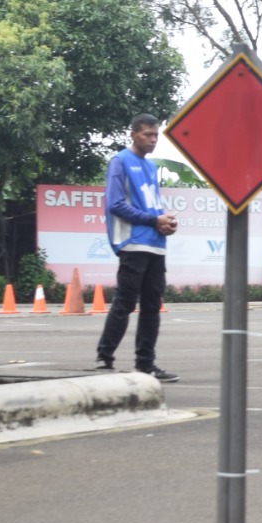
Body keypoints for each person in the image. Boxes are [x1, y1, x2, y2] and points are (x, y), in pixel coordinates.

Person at [97, 113, 179, 381]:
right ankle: (104, 358)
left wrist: (165, 222)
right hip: (133, 244)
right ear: (133, 134)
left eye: (156, 135)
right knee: (125, 303)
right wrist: (153, 220)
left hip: (156, 244)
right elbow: (115, 204)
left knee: (152, 307)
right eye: (148, 134)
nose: (153, 140)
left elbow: (150, 205)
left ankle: (146, 363)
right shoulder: (120, 162)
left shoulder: (152, 167)